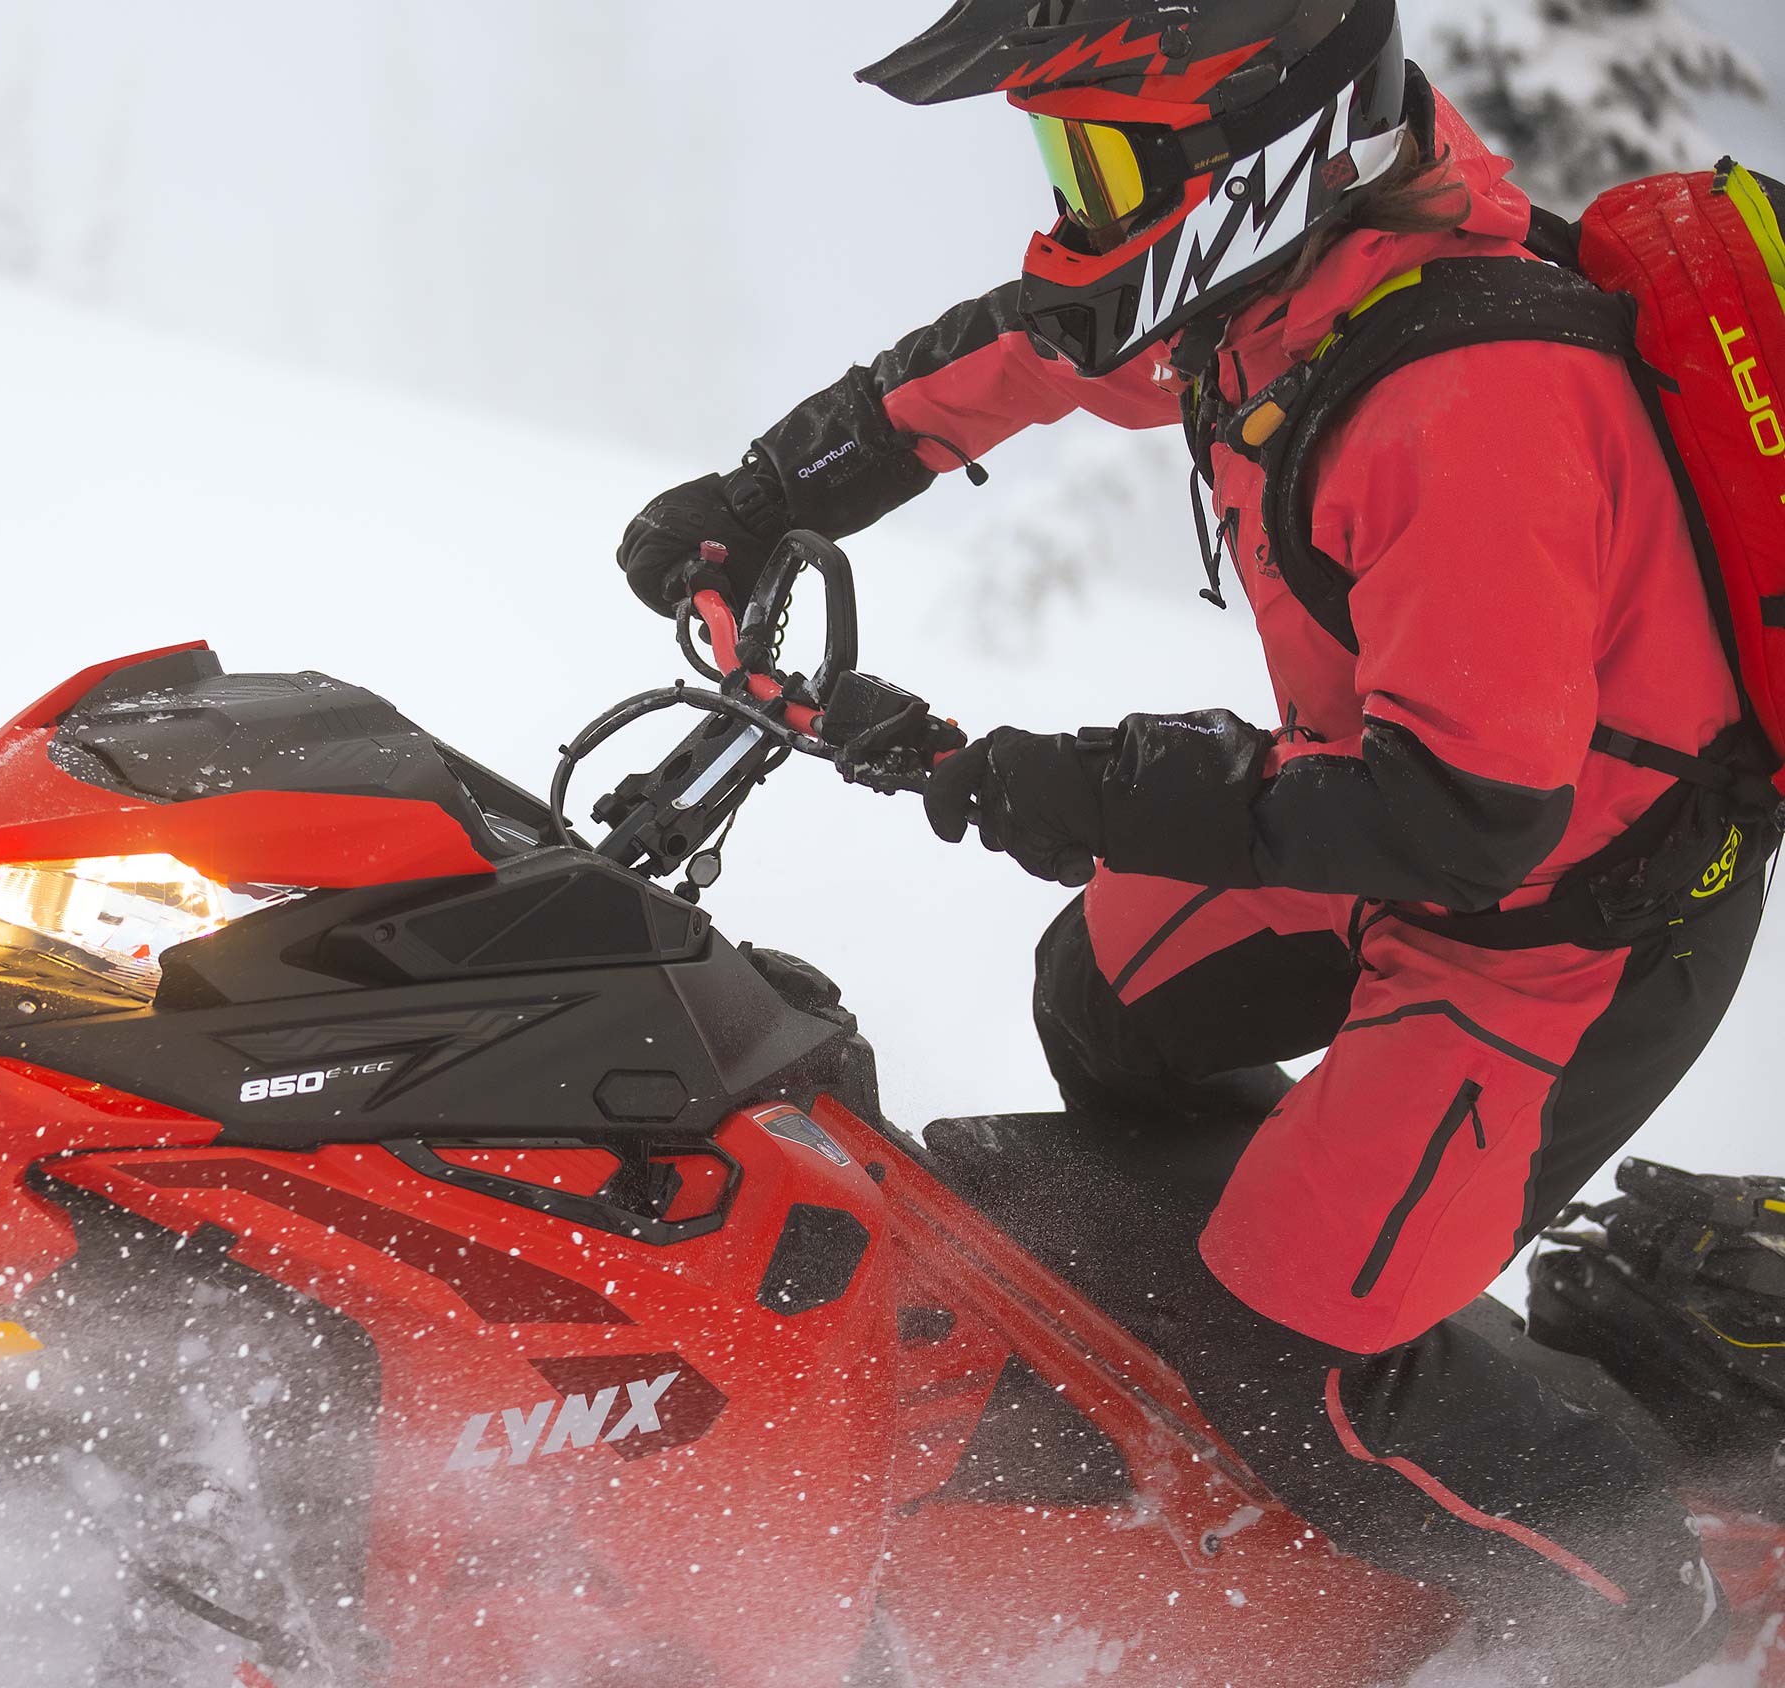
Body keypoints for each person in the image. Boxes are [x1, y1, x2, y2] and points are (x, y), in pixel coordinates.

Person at [616, 1, 1773, 1677]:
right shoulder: (1291, 292)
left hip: (1567, 928)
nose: (1077, 207)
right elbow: (1014, 350)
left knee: (1290, 1356)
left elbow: (1464, 815)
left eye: (1099, 159)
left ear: (1255, 146)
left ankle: (1646, 1601)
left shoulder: (1470, 399)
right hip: (1414, 825)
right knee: (1109, 990)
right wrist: (763, 492)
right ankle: (1299, 1314)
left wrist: (1026, 777)